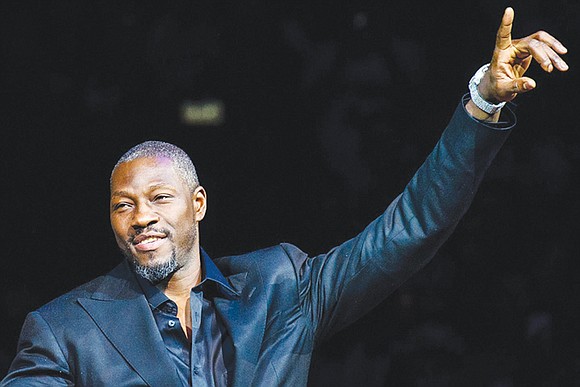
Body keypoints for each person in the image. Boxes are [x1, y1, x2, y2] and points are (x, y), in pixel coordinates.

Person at [1, 8, 568, 387]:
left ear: (197, 204)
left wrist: (482, 103)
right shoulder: (65, 331)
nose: (141, 216)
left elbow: (413, 227)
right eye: (123, 205)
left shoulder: (283, 288)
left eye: (158, 198)